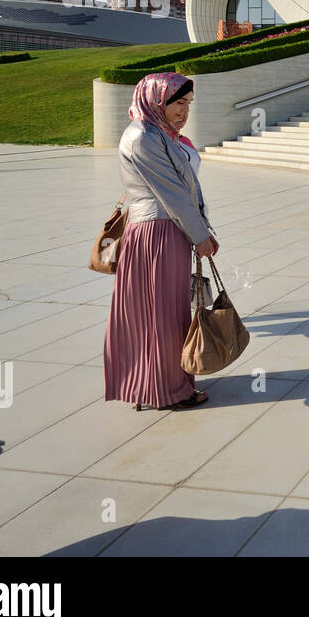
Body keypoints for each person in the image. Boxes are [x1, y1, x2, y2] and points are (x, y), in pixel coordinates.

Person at [106, 72, 217, 411]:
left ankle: (159, 383)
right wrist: (201, 236)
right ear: (157, 100)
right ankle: (169, 390)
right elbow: (172, 194)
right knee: (164, 317)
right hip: (158, 233)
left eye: (188, 104)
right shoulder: (143, 137)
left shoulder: (157, 133)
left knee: (161, 314)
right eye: (178, 103)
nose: (184, 111)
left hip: (163, 231)